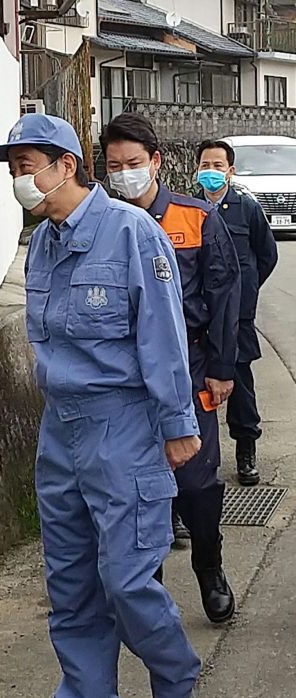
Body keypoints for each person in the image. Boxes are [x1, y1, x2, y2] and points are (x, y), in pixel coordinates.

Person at [0, 114, 202, 698]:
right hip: (63, 430)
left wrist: (178, 425)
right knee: (71, 580)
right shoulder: (43, 243)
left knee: (127, 577)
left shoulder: (132, 233)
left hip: (125, 426)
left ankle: (175, 675)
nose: (21, 180)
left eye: (29, 167)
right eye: (15, 170)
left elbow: (163, 336)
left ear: (68, 165)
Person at [102, 113, 241, 625]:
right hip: (125, 375)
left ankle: (210, 565)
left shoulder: (197, 216)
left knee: (198, 481)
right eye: (114, 166)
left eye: (133, 163)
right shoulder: (102, 222)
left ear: (156, 162)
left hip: (191, 363)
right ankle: (149, 589)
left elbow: (225, 294)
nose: (124, 174)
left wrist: (224, 368)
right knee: (137, 485)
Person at [196, 138, 278, 486]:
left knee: (240, 383)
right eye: (205, 165)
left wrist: (246, 291)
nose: (211, 172)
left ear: (231, 171)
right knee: (198, 386)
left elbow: (267, 255)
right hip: (198, 315)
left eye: (218, 166)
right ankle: (200, 459)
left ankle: (246, 451)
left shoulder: (246, 208)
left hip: (237, 318)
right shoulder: (188, 209)